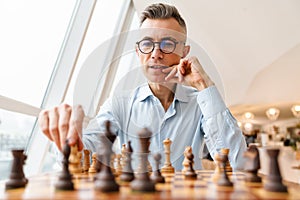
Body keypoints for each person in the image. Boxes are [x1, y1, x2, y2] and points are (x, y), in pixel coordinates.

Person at [39, 3, 247, 170]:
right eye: (147, 43)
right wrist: (70, 141)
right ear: (138, 52)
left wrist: (204, 84)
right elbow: (84, 159)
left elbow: (237, 164)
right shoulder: (119, 104)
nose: (156, 53)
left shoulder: (201, 103)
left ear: (184, 52)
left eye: (167, 44)